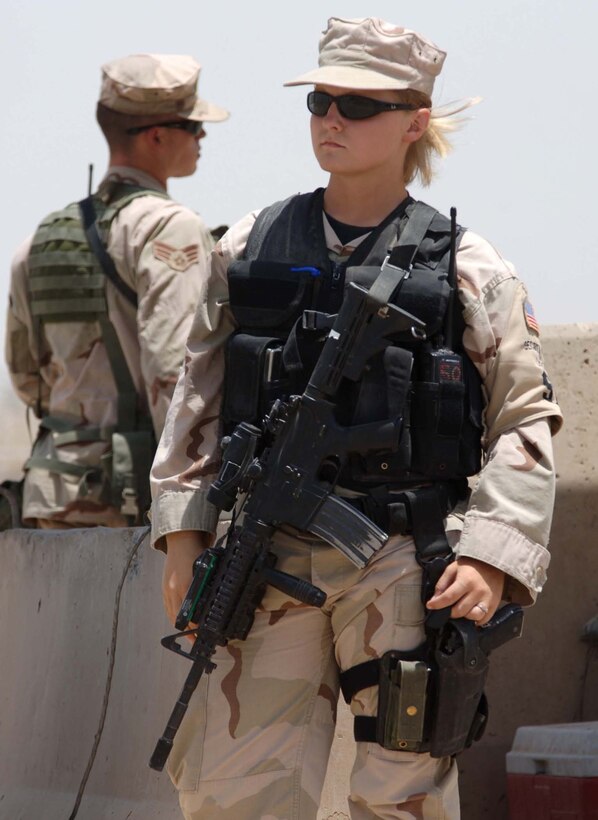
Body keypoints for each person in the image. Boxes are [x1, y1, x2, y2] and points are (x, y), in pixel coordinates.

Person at [150, 17, 562, 819]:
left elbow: (523, 416)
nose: (332, 119)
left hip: (403, 562)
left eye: (359, 105)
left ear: (415, 122)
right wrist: (183, 534)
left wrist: (492, 558)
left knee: (400, 794)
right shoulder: (252, 243)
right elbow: (196, 397)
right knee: (234, 793)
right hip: (268, 558)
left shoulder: (464, 265)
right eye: (321, 102)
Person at [5, 53, 228, 528]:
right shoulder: (169, 228)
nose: (203, 137)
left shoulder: (40, 240)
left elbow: (26, 376)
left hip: (52, 494)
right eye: (193, 126)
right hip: (130, 499)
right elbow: (174, 374)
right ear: (157, 136)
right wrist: (188, 505)